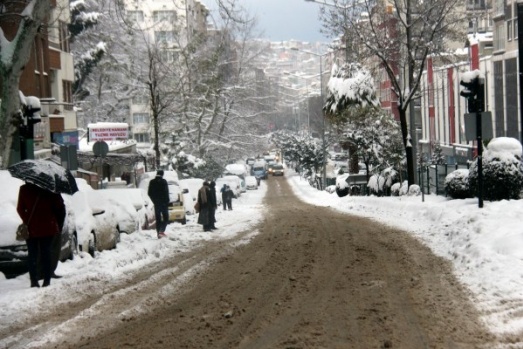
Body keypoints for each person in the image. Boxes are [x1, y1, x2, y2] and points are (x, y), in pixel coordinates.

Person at [17, 182, 65, 288]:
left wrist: (27, 219)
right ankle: (46, 280)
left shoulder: (24, 189)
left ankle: (34, 281)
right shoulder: (50, 188)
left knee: (32, 254)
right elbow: (59, 206)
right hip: (48, 226)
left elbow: (20, 208)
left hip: (31, 228)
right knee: (46, 253)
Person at [147, 170, 170, 238]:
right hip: (163, 203)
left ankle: (158, 233)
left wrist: (154, 200)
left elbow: (149, 193)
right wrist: (167, 201)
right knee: (166, 217)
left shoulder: (152, 182)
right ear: (162, 174)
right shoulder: (163, 181)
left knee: (158, 219)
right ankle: (161, 231)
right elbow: (166, 192)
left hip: (156, 203)